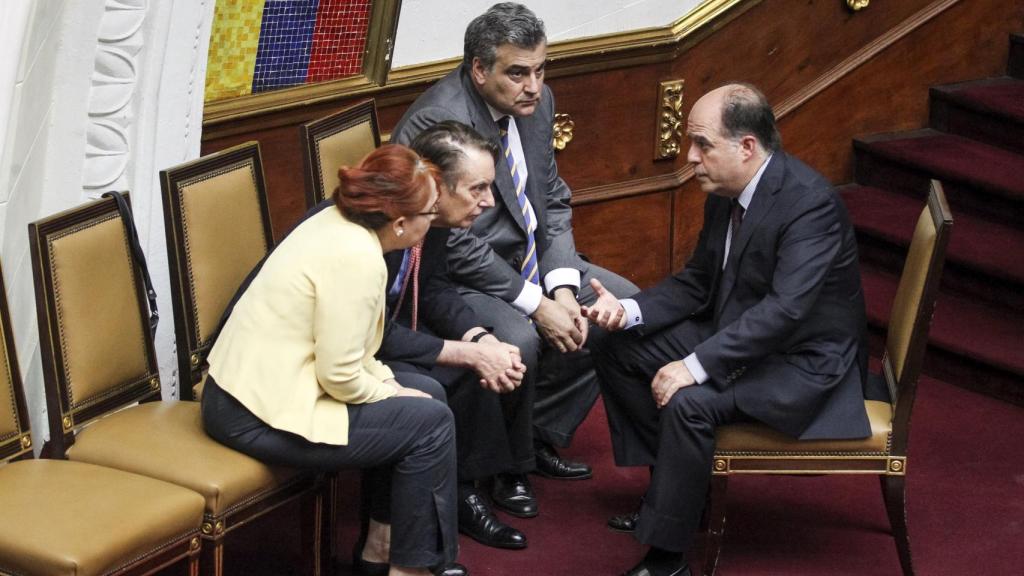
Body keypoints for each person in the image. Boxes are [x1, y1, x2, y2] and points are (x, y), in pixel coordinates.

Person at [583, 83, 872, 576]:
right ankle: (677, 496)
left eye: (702, 144)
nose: (690, 158)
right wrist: (627, 312)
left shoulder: (810, 205)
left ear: (747, 147)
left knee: (690, 403)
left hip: (800, 359)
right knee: (616, 346)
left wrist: (693, 368)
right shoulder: (726, 189)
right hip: (743, 334)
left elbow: (785, 311)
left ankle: (670, 558)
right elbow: (698, 282)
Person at [391, 2, 639, 521]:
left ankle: (536, 436)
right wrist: (536, 302)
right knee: (522, 336)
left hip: (530, 254)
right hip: (463, 273)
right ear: (480, 70)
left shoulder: (538, 103)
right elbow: (449, 243)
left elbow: (550, 198)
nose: (533, 85)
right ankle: (501, 468)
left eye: (540, 70)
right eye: (518, 73)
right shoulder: (440, 120)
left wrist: (565, 287)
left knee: (622, 307)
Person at [200, 145, 466, 576]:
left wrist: (394, 388)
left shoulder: (334, 220)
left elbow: (359, 351)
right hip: (252, 414)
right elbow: (341, 375)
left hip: (252, 388)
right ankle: (411, 570)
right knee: (431, 423)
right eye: (431, 214)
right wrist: (392, 391)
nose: (434, 221)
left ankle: (380, 550)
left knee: (429, 393)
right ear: (400, 224)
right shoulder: (358, 260)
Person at [376, 121, 537, 550]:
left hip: (386, 333)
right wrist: (464, 353)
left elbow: (433, 288)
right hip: (346, 351)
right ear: (437, 185)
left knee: (474, 363)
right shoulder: (382, 226)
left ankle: (467, 488)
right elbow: (368, 337)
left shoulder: (435, 219)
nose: (488, 202)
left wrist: (479, 338)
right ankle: (434, 518)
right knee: (441, 379)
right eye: (478, 189)